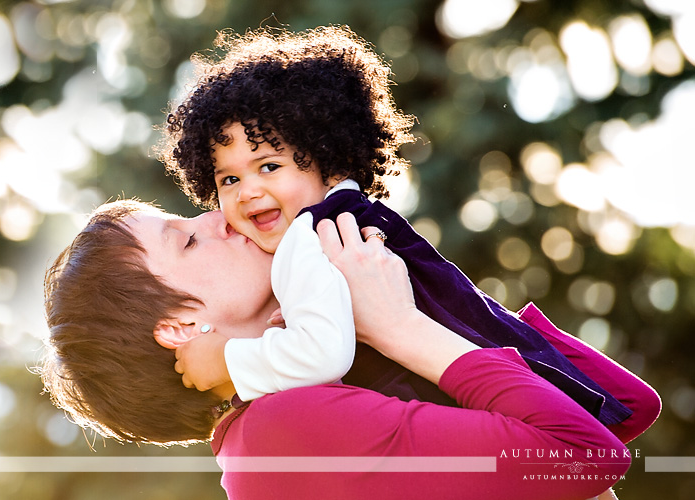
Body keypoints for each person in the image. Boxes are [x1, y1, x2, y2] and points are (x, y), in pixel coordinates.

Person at [158, 25, 660, 438]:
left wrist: (229, 360)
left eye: (268, 166)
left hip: (474, 417)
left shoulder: (308, 239)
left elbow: (320, 354)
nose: (246, 192)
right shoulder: (362, 214)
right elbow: (637, 407)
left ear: (328, 159)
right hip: (520, 377)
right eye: (228, 178)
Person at [41, 199, 630, 499]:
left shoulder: (300, 418)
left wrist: (434, 299)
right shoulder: (279, 437)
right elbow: (582, 451)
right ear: (177, 327)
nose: (221, 216)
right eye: (187, 239)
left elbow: (623, 406)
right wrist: (399, 325)